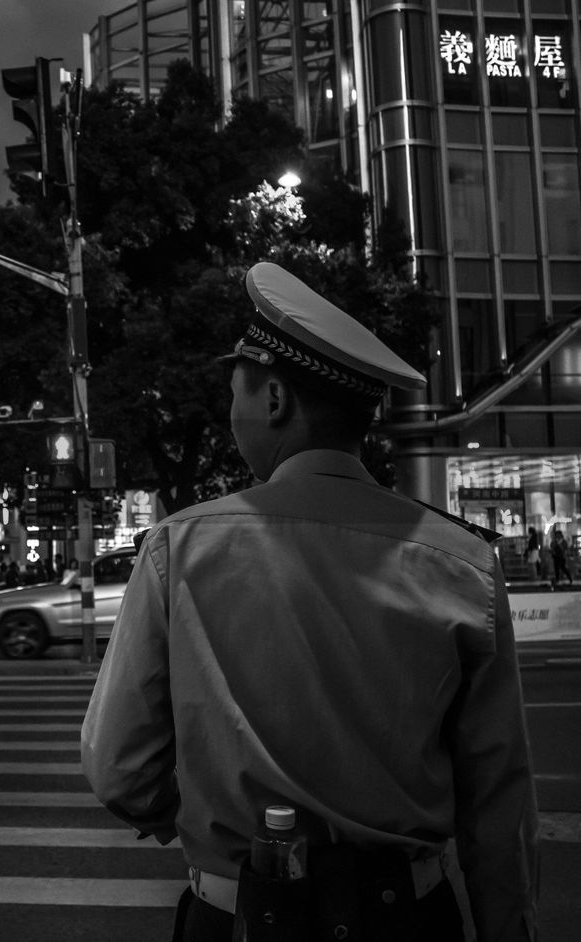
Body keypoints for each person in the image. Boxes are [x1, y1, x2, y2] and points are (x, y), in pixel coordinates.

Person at [81, 262, 537, 942]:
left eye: (235, 389)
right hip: (408, 921)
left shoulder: (178, 549)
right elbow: (499, 802)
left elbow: (118, 769)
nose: (230, 411)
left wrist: (211, 811)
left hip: (239, 918)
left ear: (273, 401)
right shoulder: (463, 562)